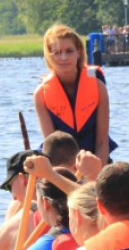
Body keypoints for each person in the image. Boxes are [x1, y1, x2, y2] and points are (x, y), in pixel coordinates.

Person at [33, 24, 116, 166]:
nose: (63, 57)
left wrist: (94, 176)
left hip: (96, 160)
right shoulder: (40, 95)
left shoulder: (98, 87)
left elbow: (102, 142)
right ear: (49, 56)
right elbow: (51, 145)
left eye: (69, 51)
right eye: (57, 53)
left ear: (78, 52)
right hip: (59, 165)